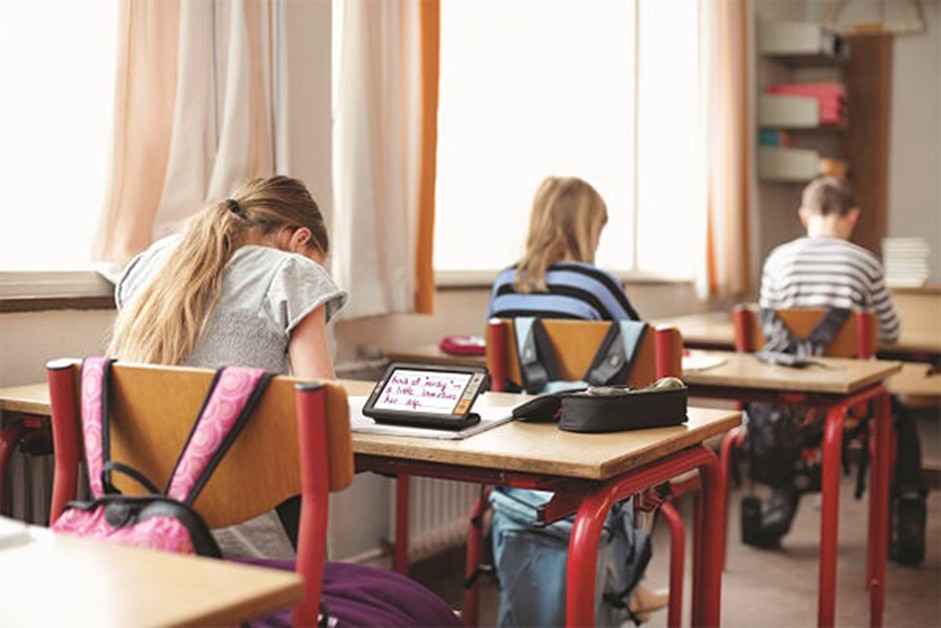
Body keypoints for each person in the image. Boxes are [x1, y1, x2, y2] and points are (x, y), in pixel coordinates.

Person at [109, 175, 348, 559]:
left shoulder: (150, 262)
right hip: (247, 524)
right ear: (299, 239)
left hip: (143, 517)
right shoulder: (291, 271)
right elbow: (321, 404)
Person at [486, 176, 665, 626]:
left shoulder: (505, 282)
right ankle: (630, 586)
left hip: (521, 444)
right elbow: (642, 359)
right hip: (587, 441)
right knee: (657, 472)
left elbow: (502, 375)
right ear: (588, 229)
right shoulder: (597, 284)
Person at [752, 175, 926, 564]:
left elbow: (767, 329)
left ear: (804, 215)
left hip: (784, 399)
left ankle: (779, 505)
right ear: (852, 215)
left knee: (799, 407)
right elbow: (892, 333)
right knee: (900, 418)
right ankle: (910, 513)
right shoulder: (865, 262)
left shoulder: (777, 258)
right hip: (849, 400)